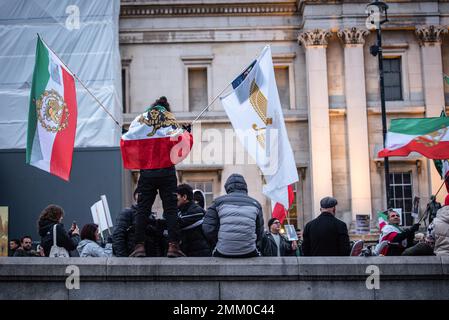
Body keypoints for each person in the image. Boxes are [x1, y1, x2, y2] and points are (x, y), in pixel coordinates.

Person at [130, 96, 190, 258]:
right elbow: (181, 140)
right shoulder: (170, 120)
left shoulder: (141, 121)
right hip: (166, 171)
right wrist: (187, 131)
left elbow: (130, 136)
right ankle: (173, 246)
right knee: (170, 209)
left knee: (142, 209)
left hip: (147, 171)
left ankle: (139, 246)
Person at [203, 173, 264, 258]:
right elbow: (260, 232)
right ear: (245, 187)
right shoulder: (256, 204)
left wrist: (220, 241)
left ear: (227, 187)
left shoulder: (217, 202)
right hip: (249, 251)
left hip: (223, 251)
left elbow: (208, 229)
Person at [113, 189, 166, 257]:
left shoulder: (152, 218)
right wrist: (123, 259)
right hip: (132, 259)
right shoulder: (128, 213)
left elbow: (157, 243)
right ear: (136, 196)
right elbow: (118, 236)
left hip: (150, 261)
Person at [176, 184, 211, 257]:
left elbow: (178, 223)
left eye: (177, 196)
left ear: (184, 197)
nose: (174, 199)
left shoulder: (196, 210)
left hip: (200, 255)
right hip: (191, 252)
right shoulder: (181, 210)